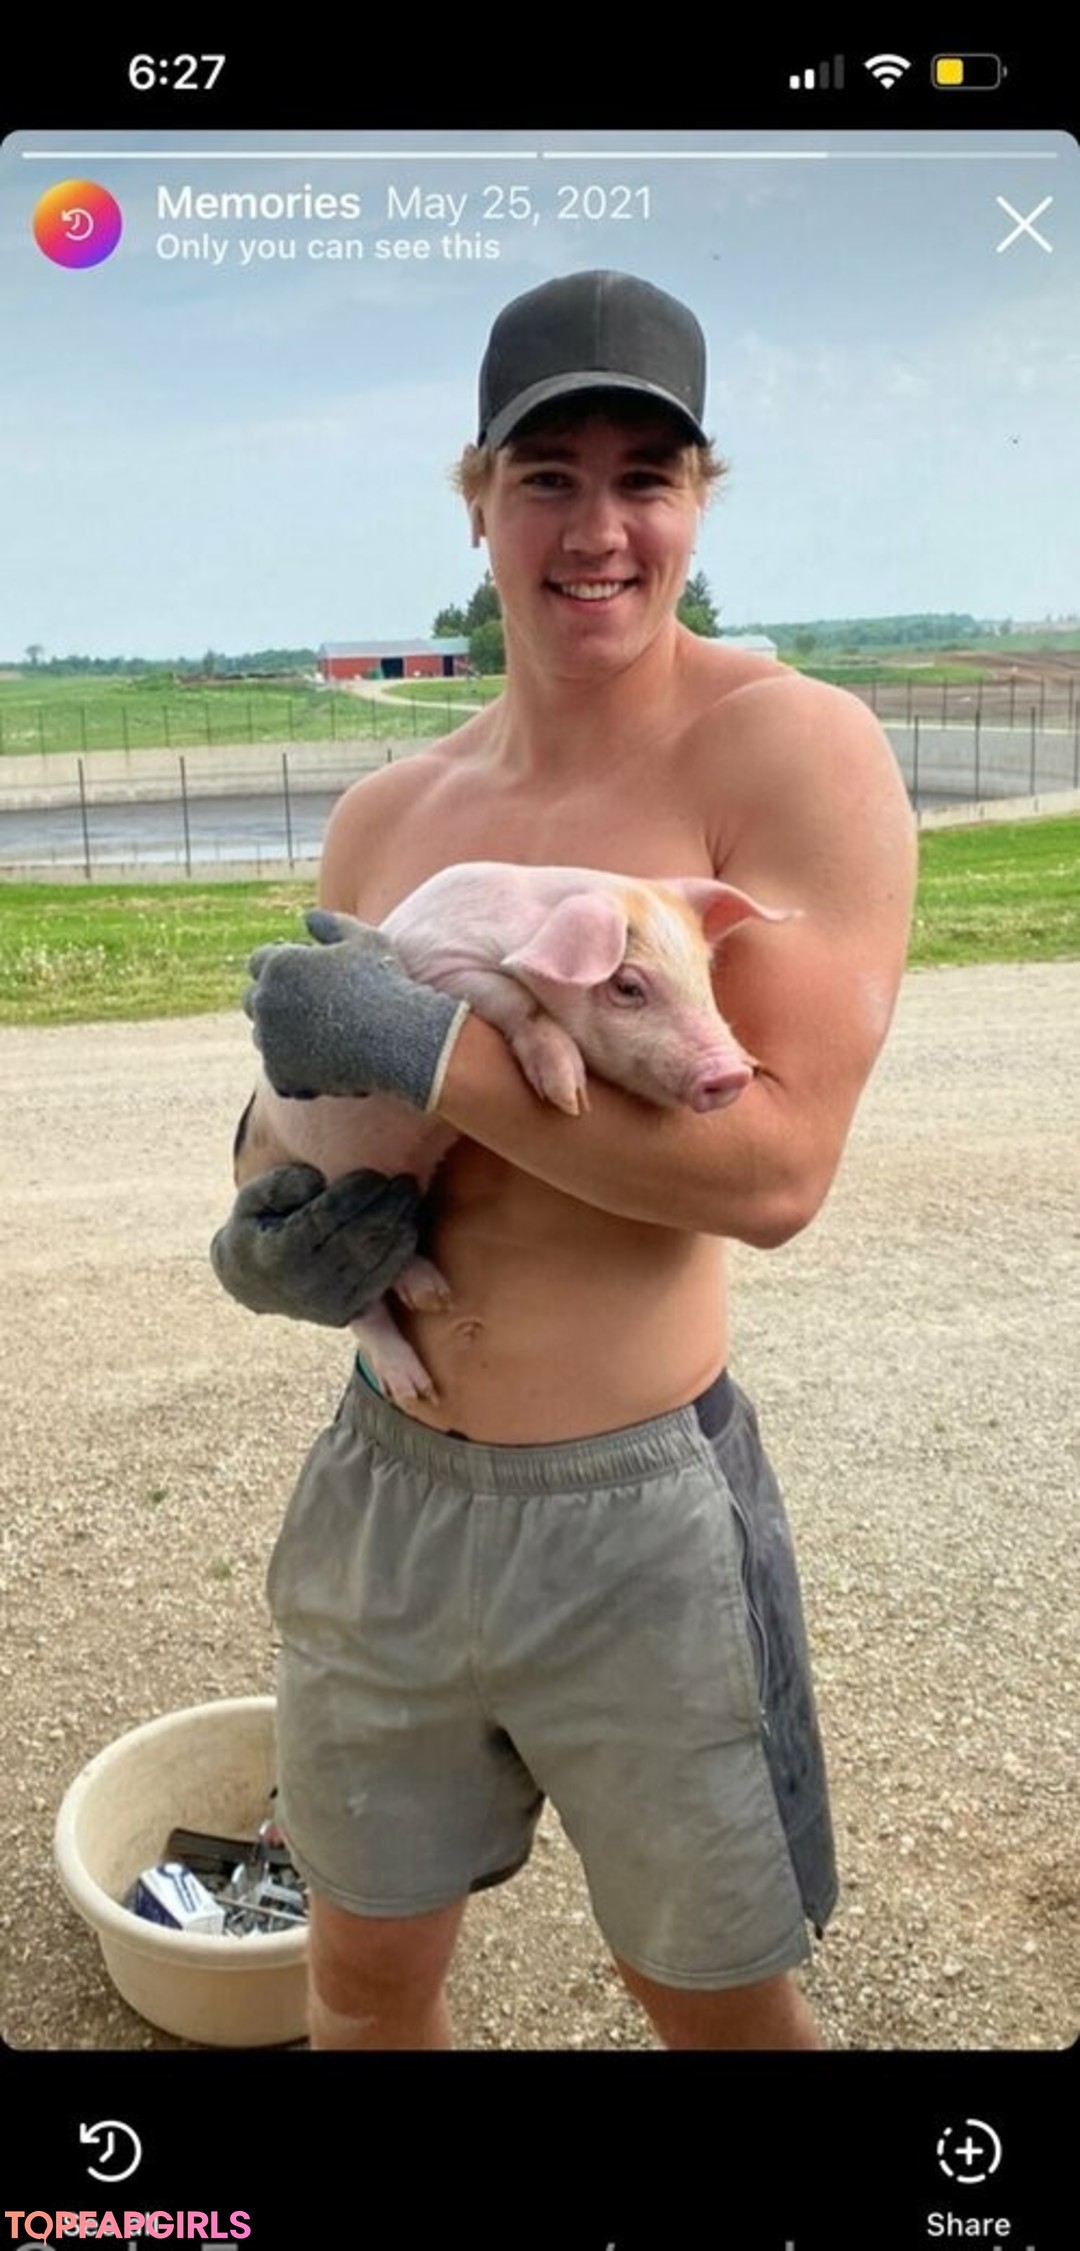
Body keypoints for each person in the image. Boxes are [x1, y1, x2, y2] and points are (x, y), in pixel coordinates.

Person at [211, 269, 917, 2051]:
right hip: (384, 1489)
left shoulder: (790, 746)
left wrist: (426, 1048)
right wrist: (264, 1209)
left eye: (645, 478)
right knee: (362, 1984)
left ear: (700, 502)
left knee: (714, 2003)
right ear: (478, 501)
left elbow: (772, 1173)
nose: (599, 529)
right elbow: (298, 1091)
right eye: (547, 479)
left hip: (634, 1515)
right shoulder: (389, 811)